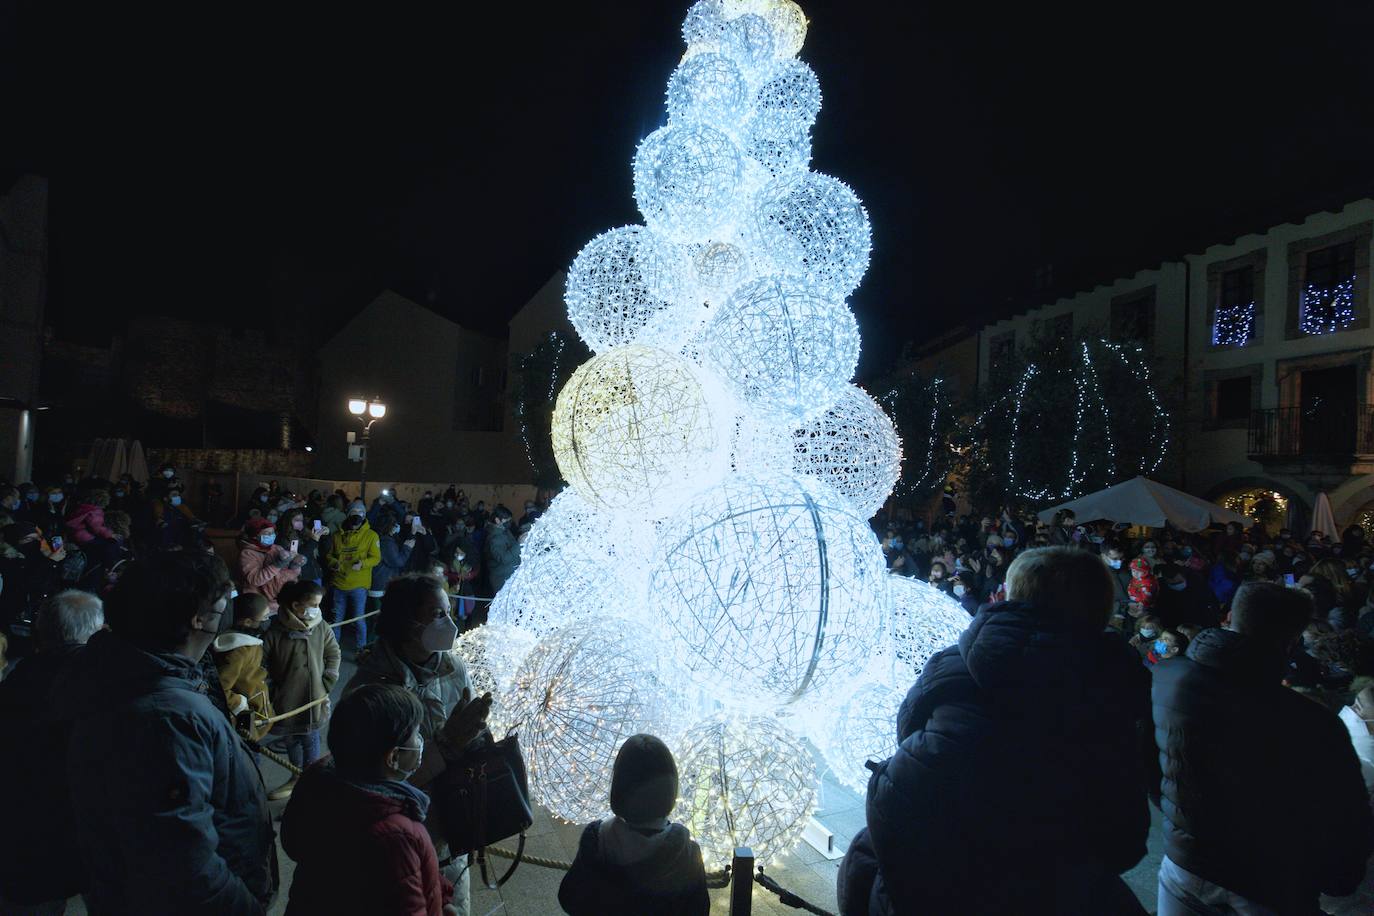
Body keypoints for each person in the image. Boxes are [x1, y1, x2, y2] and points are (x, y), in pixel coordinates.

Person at [838, 547, 1153, 915]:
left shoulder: (954, 661)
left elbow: (907, 730)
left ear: (1011, 594)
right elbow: (1125, 840)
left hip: (927, 877)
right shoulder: (1116, 693)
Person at [60, 553, 278, 914]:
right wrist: (244, 907)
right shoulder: (168, 717)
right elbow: (182, 862)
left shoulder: (119, 670)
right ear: (198, 618)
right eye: (223, 603)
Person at [1152, 582, 1374, 915]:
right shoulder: (1312, 720)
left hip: (1183, 864)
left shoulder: (1166, 678)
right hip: (1265, 881)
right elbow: (1344, 816)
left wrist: (1177, 825)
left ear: (1229, 617)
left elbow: (1149, 764)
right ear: (1293, 639)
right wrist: (1338, 881)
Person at [343, 573, 494, 916]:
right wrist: (447, 745)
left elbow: (469, 735)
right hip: (400, 841)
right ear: (409, 623)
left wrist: (480, 739)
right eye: (439, 614)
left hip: (453, 830)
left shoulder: (454, 667)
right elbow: (373, 788)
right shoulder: (369, 692)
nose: (450, 622)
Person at [282, 683, 458, 915]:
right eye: (416, 733)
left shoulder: (323, 782)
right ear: (394, 757)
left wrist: (441, 896)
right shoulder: (395, 836)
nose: (421, 739)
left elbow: (294, 846)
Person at [0, 591, 104, 912]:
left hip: (28, 840)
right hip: (97, 834)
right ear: (97, 633)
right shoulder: (109, 684)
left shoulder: (14, 685)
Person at [558, 734, 710, 916]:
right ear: (670, 786)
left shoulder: (597, 840)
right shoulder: (687, 853)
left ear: (619, 785)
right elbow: (699, 910)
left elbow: (569, 898)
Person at [261, 580, 340, 800]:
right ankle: (296, 775)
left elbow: (333, 653)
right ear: (296, 605)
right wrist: (272, 690)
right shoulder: (273, 631)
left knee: (311, 736)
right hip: (286, 699)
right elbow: (261, 665)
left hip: (315, 695)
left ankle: (310, 778)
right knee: (291, 738)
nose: (317, 609)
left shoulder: (321, 626)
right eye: (313, 604)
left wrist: (328, 680)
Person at [212, 591, 275, 742]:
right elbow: (220, 687)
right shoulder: (239, 651)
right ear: (247, 622)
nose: (267, 620)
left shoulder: (248, 641)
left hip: (255, 708)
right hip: (245, 717)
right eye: (264, 617)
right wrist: (239, 704)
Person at [328, 504, 381, 650]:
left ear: (364, 515)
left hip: (359, 585)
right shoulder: (337, 535)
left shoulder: (371, 535)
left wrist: (363, 563)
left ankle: (361, 649)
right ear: (348, 514)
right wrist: (334, 563)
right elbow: (330, 555)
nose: (357, 514)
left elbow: (376, 558)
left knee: (359, 619)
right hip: (339, 583)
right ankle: (333, 649)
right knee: (337, 620)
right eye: (354, 511)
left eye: (360, 512)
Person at [237, 517, 305, 613]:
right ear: (254, 536)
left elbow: (290, 575)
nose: (271, 536)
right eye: (266, 533)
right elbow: (255, 579)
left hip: (279, 602)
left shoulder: (277, 548)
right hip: (260, 606)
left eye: (272, 533)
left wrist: (295, 565)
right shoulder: (247, 554)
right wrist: (277, 565)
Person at [483, 505, 520, 598]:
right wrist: (519, 544)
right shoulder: (494, 538)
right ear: (497, 520)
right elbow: (503, 558)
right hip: (502, 579)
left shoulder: (505, 531)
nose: (509, 522)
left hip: (510, 576)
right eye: (506, 520)